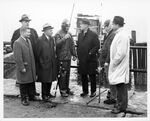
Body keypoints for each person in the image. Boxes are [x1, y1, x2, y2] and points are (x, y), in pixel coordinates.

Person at [11, 14, 39, 96]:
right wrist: (21, 61)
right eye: (25, 21)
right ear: (21, 22)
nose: (27, 23)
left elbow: (37, 43)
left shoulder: (33, 31)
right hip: (23, 58)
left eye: (28, 21)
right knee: (24, 78)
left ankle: (32, 92)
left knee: (32, 76)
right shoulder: (16, 32)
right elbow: (14, 45)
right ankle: (24, 96)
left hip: (32, 57)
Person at [108, 16, 130, 114]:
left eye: (113, 24)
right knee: (119, 85)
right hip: (119, 65)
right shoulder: (120, 34)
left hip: (119, 65)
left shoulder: (122, 35)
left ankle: (121, 107)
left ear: (117, 24)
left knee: (121, 85)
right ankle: (120, 104)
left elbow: (122, 53)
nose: (112, 25)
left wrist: (114, 62)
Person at [13, 27, 37, 106]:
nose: (29, 34)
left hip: (30, 67)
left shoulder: (28, 41)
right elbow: (17, 57)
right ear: (22, 33)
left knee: (29, 82)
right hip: (25, 67)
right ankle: (24, 99)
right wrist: (21, 67)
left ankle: (31, 96)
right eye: (28, 32)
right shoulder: (17, 42)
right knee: (23, 83)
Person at [77, 18, 100, 98]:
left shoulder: (93, 35)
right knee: (83, 75)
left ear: (86, 25)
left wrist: (90, 53)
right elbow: (79, 46)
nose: (80, 25)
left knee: (92, 75)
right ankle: (85, 91)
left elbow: (97, 46)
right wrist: (78, 56)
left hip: (90, 59)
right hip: (82, 59)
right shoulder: (80, 35)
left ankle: (93, 91)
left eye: (82, 24)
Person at [35, 23, 57, 104]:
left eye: (52, 30)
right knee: (44, 80)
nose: (52, 32)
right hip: (43, 64)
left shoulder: (51, 39)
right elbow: (37, 54)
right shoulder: (40, 40)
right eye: (50, 30)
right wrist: (41, 63)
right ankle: (44, 96)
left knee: (50, 79)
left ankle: (48, 93)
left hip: (51, 63)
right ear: (46, 31)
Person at [55, 19, 77, 97]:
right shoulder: (58, 34)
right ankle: (62, 90)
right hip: (61, 58)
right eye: (67, 26)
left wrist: (74, 55)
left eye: (69, 26)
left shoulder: (70, 34)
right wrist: (64, 38)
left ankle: (67, 88)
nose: (68, 28)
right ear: (63, 26)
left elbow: (72, 45)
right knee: (62, 75)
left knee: (67, 74)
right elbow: (57, 44)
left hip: (68, 58)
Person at [99, 20, 117, 104]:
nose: (104, 28)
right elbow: (106, 47)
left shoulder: (112, 35)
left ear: (109, 26)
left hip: (109, 61)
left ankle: (113, 97)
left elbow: (111, 49)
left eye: (105, 27)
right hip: (107, 60)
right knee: (109, 79)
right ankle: (111, 94)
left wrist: (107, 61)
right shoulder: (108, 34)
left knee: (111, 79)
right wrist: (102, 50)